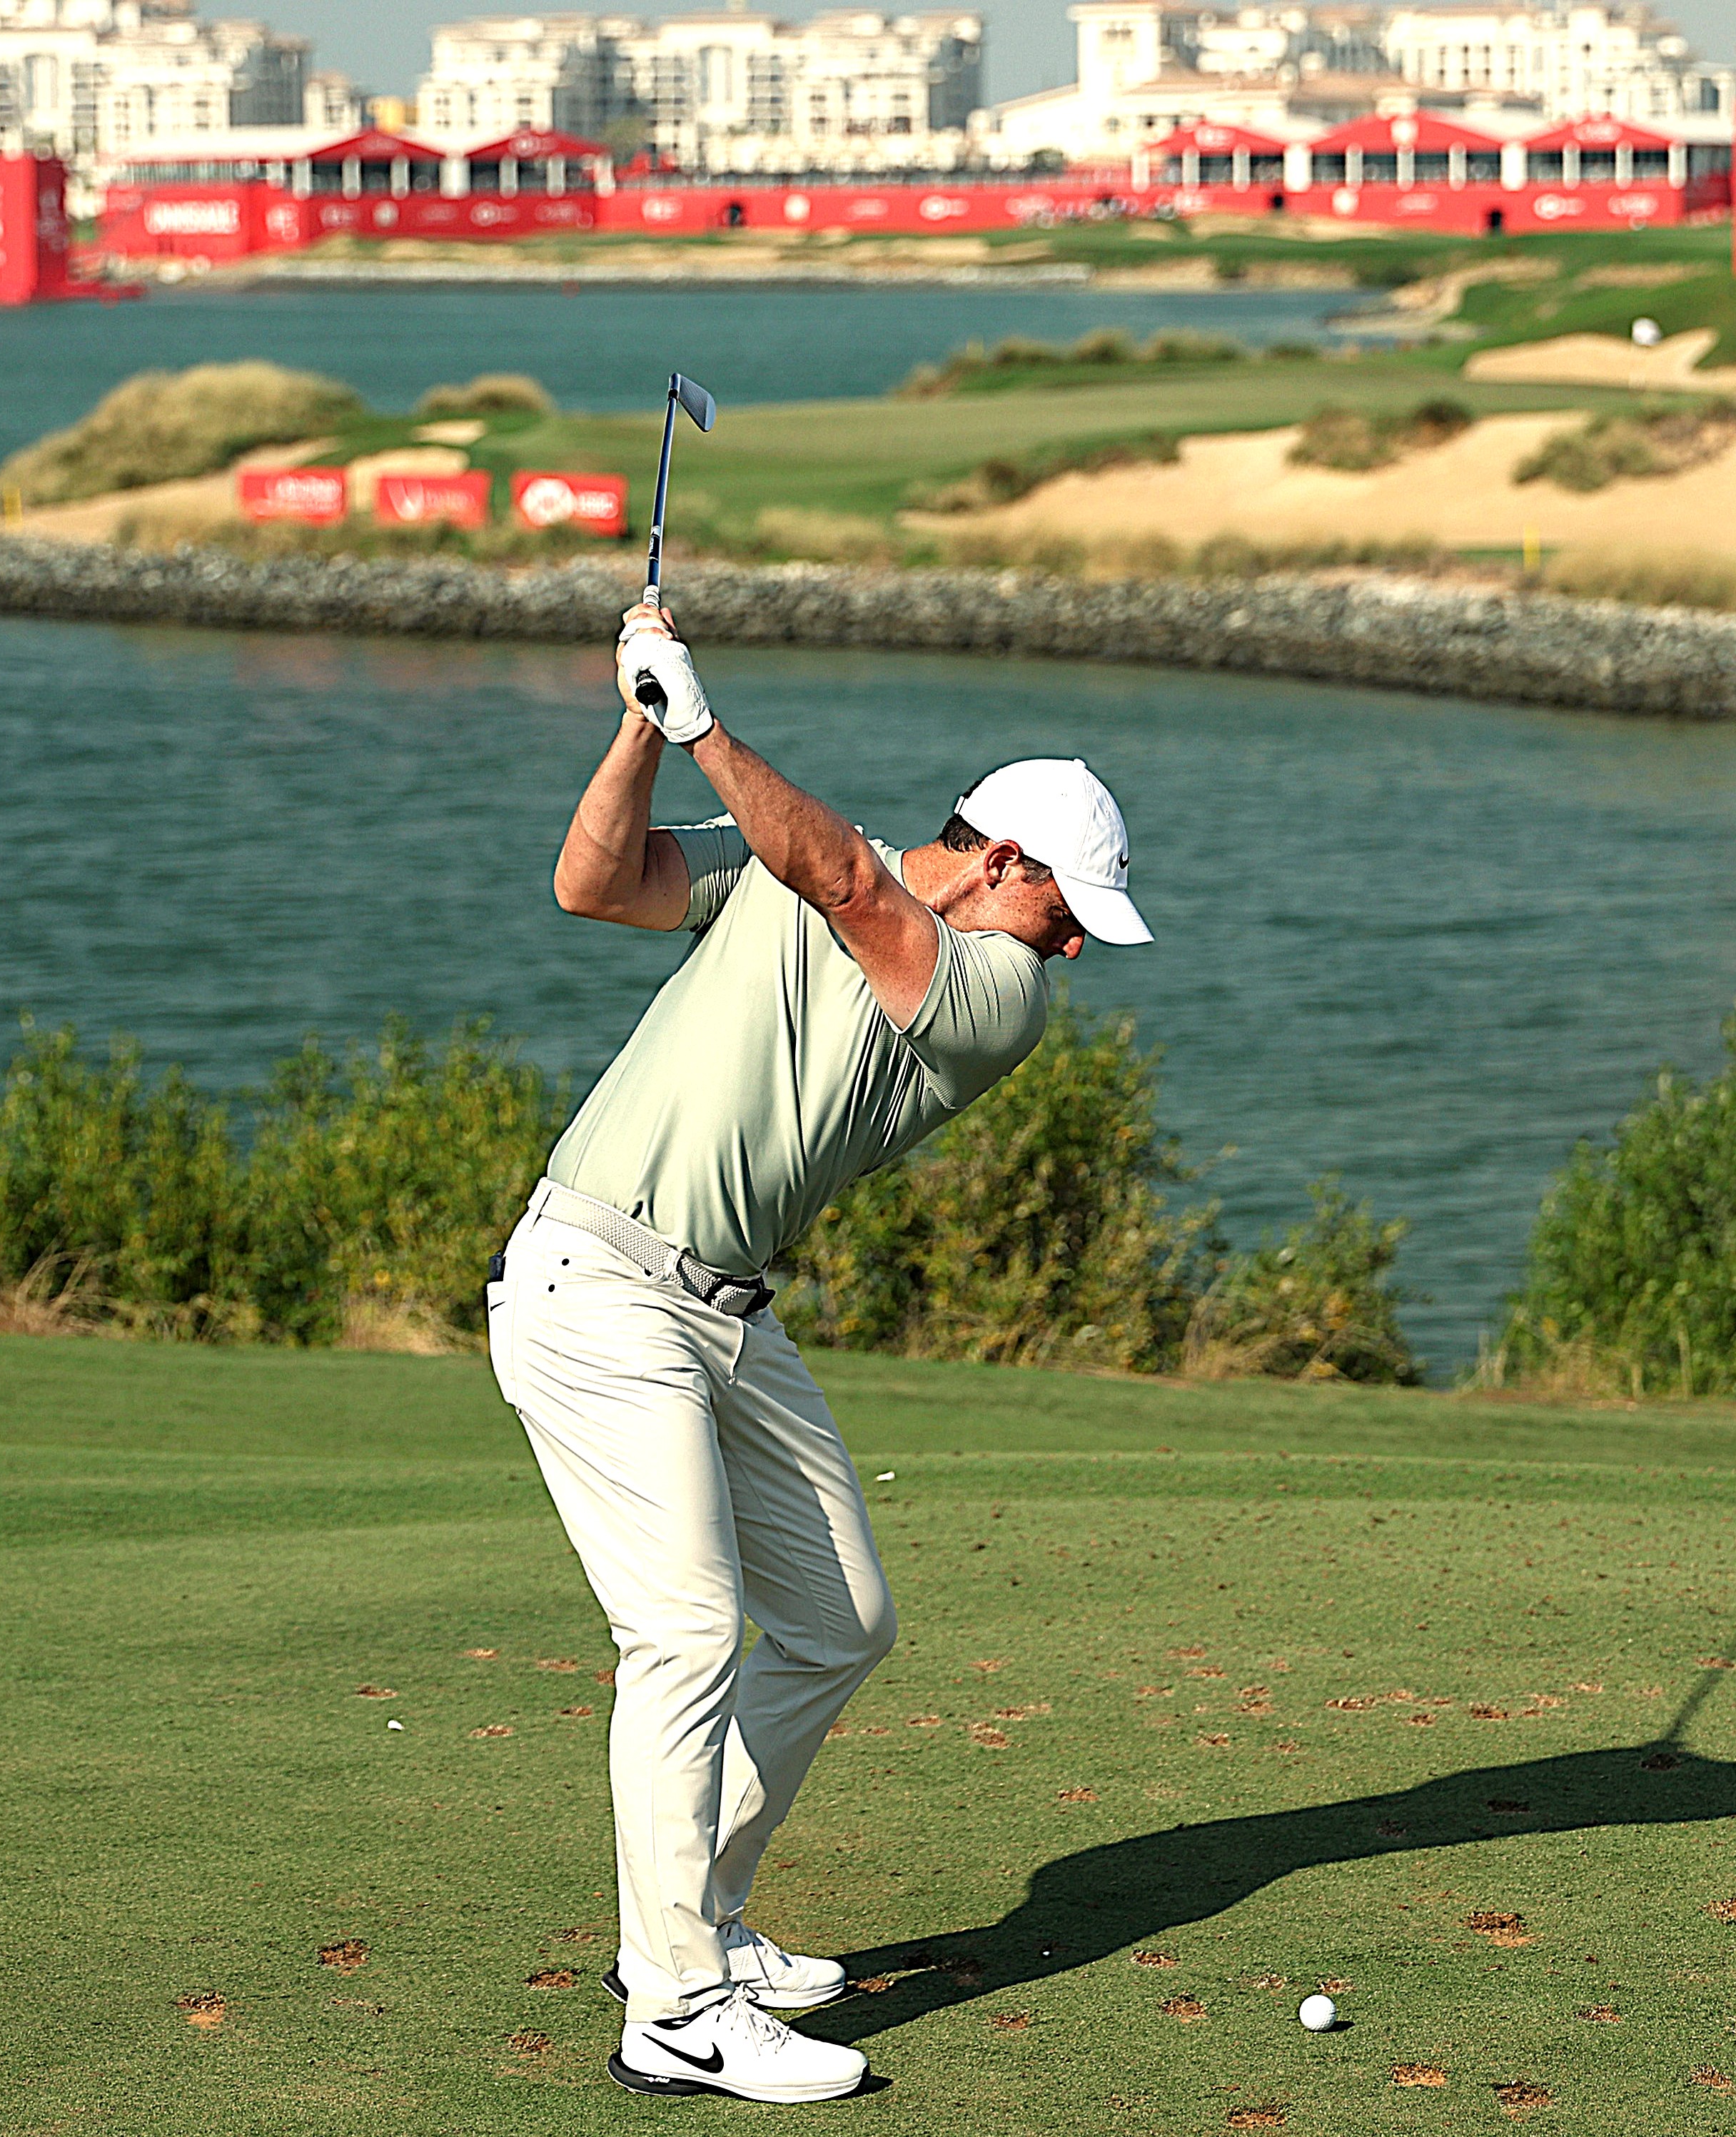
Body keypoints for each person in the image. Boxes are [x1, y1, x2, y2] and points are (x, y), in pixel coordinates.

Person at [493, 601, 1153, 2104]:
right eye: (1067, 913)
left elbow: (848, 876)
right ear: (1002, 861)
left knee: (842, 1619)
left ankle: (693, 1917)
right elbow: (595, 883)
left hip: (723, 1310)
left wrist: (703, 722)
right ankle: (674, 2005)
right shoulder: (789, 882)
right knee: (683, 1636)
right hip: (595, 1283)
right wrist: (639, 725)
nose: (1074, 947)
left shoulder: (995, 997)